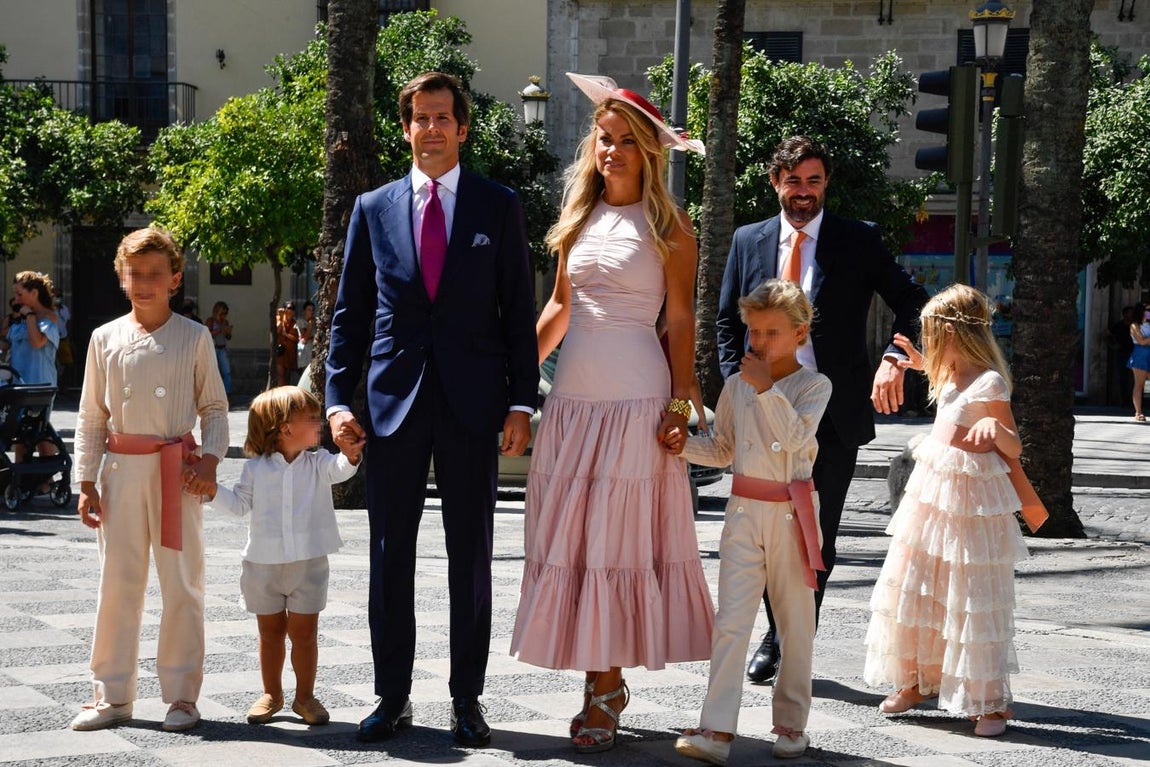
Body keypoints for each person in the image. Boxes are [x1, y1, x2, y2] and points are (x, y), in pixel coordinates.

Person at [325, 71, 538, 747]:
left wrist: (520, 401)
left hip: (474, 406)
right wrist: (335, 402)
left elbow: (518, 314)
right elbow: (349, 318)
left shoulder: (496, 205)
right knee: (390, 556)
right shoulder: (372, 208)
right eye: (421, 117)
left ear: (463, 126)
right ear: (406, 127)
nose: (433, 128)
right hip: (391, 408)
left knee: (469, 557)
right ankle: (392, 697)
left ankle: (467, 697)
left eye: (444, 117)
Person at [509, 72, 714, 755]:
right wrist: (514, 383)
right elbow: (561, 308)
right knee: (574, 539)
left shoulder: (671, 226)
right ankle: (598, 681)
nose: (614, 150)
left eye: (627, 141)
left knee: (617, 543)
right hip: (571, 402)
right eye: (605, 138)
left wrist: (682, 402)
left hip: (635, 401)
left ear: (651, 152)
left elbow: (680, 319)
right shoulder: (579, 220)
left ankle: (604, 690)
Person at [716, 135, 929, 684]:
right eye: (793, 181)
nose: (803, 192)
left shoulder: (857, 240)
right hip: (761, 412)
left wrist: (893, 358)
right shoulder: (748, 240)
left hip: (828, 415)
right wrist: (737, 387)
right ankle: (783, 633)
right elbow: (723, 323)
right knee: (767, 533)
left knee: (816, 535)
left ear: (825, 183)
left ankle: (787, 640)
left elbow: (911, 300)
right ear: (775, 183)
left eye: (813, 181)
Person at [70, 227, 229, 733]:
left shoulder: (194, 336)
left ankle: (182, 696)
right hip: (121, 473)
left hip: (176, 473)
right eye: (134, 274)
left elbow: (216, 408)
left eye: (154, 275)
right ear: (122, 277)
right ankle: (112, 694)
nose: (143, 284)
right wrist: (86, 480)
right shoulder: (105, 338)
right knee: (118, 583)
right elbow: (92, 416)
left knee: (182, 583)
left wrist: (210, 459)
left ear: (175, 279)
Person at [673, 279, 831, 763]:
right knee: (731, 621)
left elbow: (798, 440)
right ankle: (717, 731)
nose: (759, 343)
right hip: (742, 515)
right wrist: (682, 446)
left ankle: (791, 724)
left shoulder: (814, 385)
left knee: (795, 624)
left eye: (772, 333)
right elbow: (722, 449)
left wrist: (766, 391)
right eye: (753, 332)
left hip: (792, 515)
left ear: (800, 333)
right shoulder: (738, 384)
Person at [863, 283, 1029, 738]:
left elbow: (1012, 446)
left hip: (970, 504)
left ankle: (989, 702)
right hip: (932, 497)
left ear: (956, 334)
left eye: (933, 334)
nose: (929, 342)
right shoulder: (950, 374)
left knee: (970, 594)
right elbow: (946, 395)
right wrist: (917, 364)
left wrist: (995, 425)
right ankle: (917, 680)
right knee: (920, 586)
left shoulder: (989, 381)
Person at [205, 386, 362, 726]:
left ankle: (305, 696)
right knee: (270, 633)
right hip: (262, 566)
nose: (319, 423)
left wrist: (349, 454)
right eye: (311, 418)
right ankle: (271, 694)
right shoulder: (255, 469)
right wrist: (213, 491)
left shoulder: (318, 462)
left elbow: (340, 470)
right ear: (285, 427)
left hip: (309, 565)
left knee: (305, 634)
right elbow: (238, 506)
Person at [2, 270, 61, 387]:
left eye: (19, 294)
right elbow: (7, 344)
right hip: (18, 387)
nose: (16, 299)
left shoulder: (49, 318)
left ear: (34, 293)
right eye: (15, 294)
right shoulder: (22, 318)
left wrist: (30, 316)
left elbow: (37, 342)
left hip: (39, 388)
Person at [1127, 305, 1150, 422]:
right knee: (1139, 385)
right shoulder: (1134, 325)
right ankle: (1138, 412)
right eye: (1147, 310)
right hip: (1140, 355)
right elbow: (1141, 341)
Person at [207, 301, 233, 397]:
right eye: (222, 313)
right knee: (213, 372)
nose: (224, 316)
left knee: (227, 372)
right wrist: (220, 330)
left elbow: (228, 337)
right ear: (217, 311)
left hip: (222, 349)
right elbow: (207, 334)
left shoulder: (225, 322)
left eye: (225, 314)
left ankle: (227, 394)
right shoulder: (210, 321)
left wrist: (228, 332)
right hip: (213, 349)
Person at [276, 302, 300, 386]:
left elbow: (297, 338)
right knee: (280, 375)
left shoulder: (295, 323)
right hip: (280, 353)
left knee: (287, 376)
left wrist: (286, 334)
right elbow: (277, 330)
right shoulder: (279, 318)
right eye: (288, 309)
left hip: (290, 354)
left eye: (292, 309)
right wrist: (281, 316)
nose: (290, 311)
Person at [296, 300, 316, 377]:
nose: (311, 312)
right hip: (304, 350)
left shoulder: (315, 321)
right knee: (305, 372)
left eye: (312, 310)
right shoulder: (300, 321)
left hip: (313, 349)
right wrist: (310, 325)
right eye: (309, 310)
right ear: (305, 311)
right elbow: (305, 338)